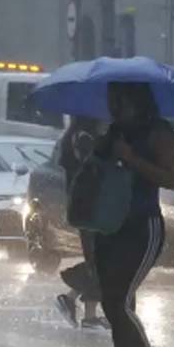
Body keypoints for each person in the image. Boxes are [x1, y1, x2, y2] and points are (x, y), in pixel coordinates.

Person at [92, 82, 174, 347]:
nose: (115, 106)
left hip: (143, 227)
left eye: (121, 99)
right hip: (110, 226)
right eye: (112, 99)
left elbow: (172, 179)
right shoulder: (115, 132)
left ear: (138, 99)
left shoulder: (159, 133)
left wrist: (130, 158)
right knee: (116, 307)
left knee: (117, 303)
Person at [54, 116, 108, 329]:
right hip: (91, 210)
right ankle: (70, 299)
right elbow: (93, 171)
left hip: (84, 209)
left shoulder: (73, 138)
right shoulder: (84, 140)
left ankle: (88, 313)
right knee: (100, 262)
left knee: (97, 261)